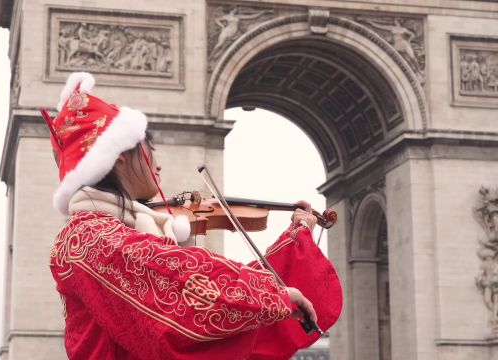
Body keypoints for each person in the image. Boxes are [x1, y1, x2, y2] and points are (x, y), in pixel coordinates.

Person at [43, 72, 342, 359]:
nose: (158, 166)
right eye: (151, 150)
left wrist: (294, 241)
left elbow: (193, 283)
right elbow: (179, 277)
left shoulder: (112, 231)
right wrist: (271, 295)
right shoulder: (86, 237)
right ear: (120, 155)